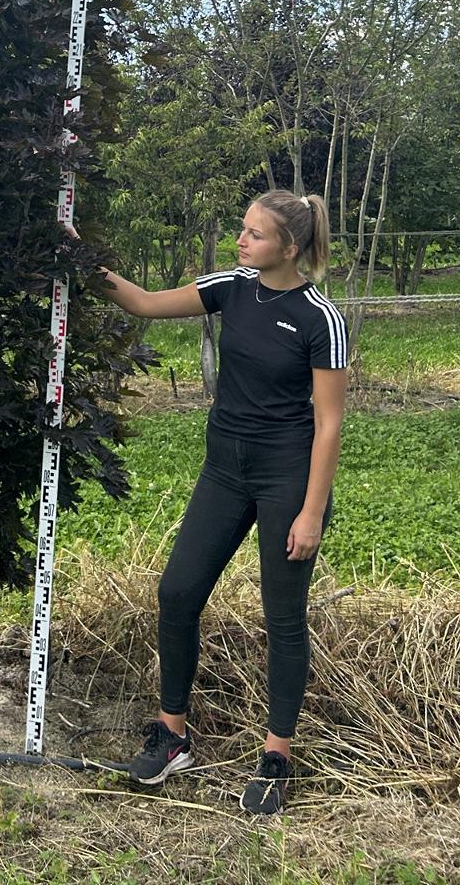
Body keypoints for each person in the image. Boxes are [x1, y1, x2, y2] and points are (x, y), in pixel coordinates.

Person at [69, 190, 347, 814]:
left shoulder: (318, 316)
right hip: (224, 471)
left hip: (286, 479)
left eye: (253, 235)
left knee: (283, 617)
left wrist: (309, 511)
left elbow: (328, 425)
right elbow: (142, 302)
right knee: (178, 592)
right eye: (241, 231)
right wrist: (83, 266)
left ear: (290, 247)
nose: (240, 242)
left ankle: (276, 756)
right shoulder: (232, 286)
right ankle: (172, 736)